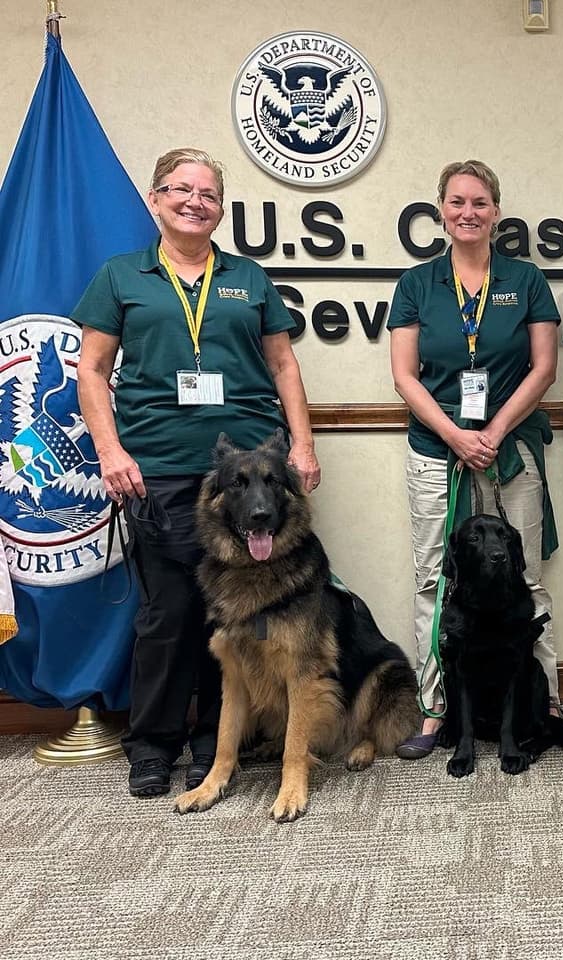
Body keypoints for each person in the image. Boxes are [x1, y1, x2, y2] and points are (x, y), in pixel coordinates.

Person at [75, 147, 320, 798]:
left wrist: (303, 446)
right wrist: (111, 451)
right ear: (155, 201)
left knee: (244, 618)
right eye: (180, 190)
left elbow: (285, 366)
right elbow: (92, 370)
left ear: (220, 208)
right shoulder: (121, 276)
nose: (194, 201)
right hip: (158, 468)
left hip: (251, 477)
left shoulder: (247, 277)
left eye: (208, 193)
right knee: (170, 611)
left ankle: (220, 742)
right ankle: (153, 744)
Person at [388, 159, 563, 759]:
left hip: (509, 447)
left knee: (526, 575)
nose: (468, 213)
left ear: (496, 211)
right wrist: (456, 436)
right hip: (435, 449)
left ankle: (542, 701)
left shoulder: (525, 280)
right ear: (441, 209)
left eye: (480, 203)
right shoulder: (418, 284)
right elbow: (404, 377)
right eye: (457, 202)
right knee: (434, 579)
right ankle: (435, 710)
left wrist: (491, 431)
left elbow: (544, 369)